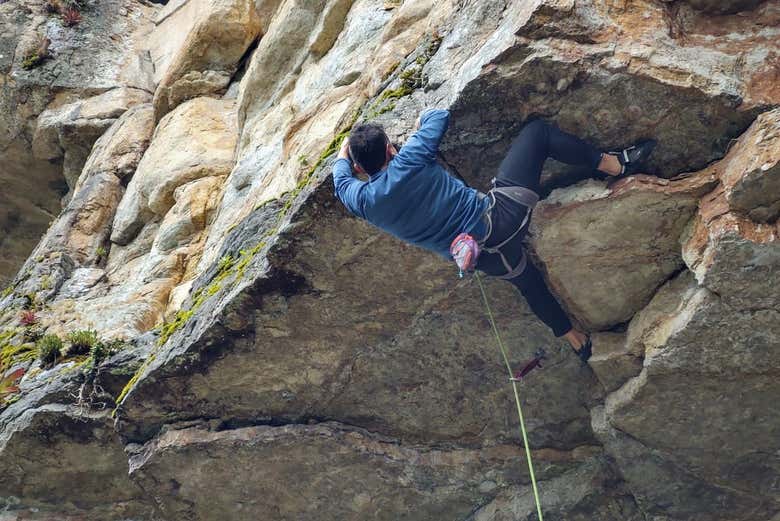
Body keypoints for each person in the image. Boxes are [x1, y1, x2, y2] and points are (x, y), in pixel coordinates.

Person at [332, 109, 655, 361]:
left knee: (529, 285)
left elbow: (340, 177)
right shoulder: (411, 158)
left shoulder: (362, 201)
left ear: (361, 170)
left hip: (488, 259)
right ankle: (613, 165)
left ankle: (575, 339)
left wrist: (345, 155)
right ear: (391, 149)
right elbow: (438, 116)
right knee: (537, 134)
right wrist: (415, 128)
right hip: (504, 218)